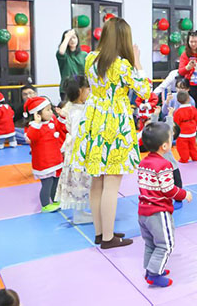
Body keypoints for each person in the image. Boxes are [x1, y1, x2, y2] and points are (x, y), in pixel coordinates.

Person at [71, 17, 151, 249]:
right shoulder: (122, 65)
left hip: (93, 119)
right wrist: (138, 62)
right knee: (112, 183)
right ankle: (108, 238)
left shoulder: (90, 59)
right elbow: (145, 91)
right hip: (115, 123)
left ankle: (101, 233)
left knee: (97, 181)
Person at [137, 122, 192, 288]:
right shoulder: (164, 165)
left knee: (150, 243)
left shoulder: (143, 162)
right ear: (165, 146)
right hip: (158, 212)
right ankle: (154, 274)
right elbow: (168, 190)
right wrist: (184, 194)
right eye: (170, 137)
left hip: (143, 211)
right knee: (166, 244)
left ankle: (150, 269)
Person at [55, 76, 92, 224]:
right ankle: (79, 214)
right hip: (79, 151)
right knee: (79, 182)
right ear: (80, 91)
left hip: (76, 150)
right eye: (88, 89)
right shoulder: (77, 111)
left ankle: (81, 213)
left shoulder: (73, 106)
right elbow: (78, 134)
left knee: (80, 182)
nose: (90, 91)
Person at [24, 96, 66, 213]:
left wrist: (61, 116)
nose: (51, 112)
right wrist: (37, 123)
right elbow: (31, 137)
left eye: (50, 109)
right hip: (44, 163)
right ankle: (45, 205)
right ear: (37, 114)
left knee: (56, 182)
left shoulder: (52, 121)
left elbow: (61, 128)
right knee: (47, 184)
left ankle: (55, 200)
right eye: (47, 110)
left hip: (55, 159)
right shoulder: (33, 127)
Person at [57, 29, 87, 99]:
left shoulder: (84, 55)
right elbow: (61, 52)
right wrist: (67, 36)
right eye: (70, 38)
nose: (72, 40)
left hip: (81, 89)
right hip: (66, 89)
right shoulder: (64, 55)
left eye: (74, 37)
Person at [173, 91, 197, 163]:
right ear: (189, 99)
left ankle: (184, 159)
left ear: (177, 100)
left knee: (182, 147)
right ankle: (195, 157)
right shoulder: (193, 109)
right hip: (192, 131)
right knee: (193, 145)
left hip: (182, 132)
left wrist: (175, 132)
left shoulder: (178, 112)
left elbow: (176, 123)